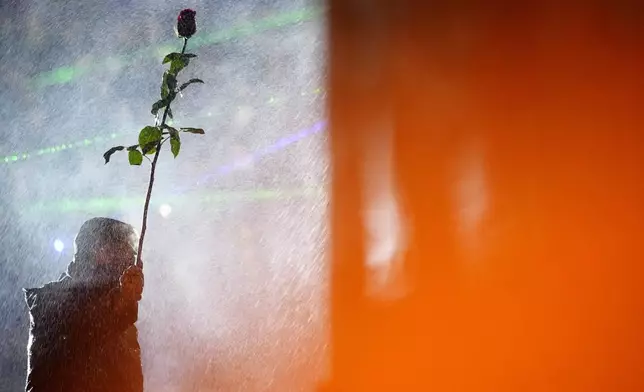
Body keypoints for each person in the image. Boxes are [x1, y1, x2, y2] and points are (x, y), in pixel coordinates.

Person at [24, 217, 144, 392]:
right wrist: (124, 298)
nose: (130, 259)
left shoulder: (121, 322)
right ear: (98, 251)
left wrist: (124, 298)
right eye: (123, 249)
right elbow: (91, 323)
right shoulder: (50, 301)